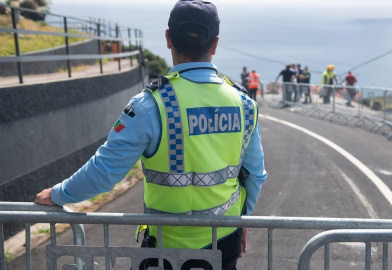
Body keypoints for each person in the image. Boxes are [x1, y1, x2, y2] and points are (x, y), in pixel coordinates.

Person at [35, 1, 268, 269]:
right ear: (215, 44)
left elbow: (105, 171)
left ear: (168, 39)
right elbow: (256, 174)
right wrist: (243, 219)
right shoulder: (244, 104)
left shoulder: (150, 105)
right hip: (225, 239)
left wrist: (57, 194)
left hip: (168, 249)